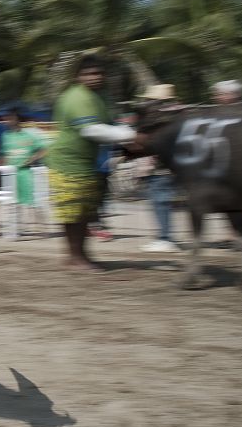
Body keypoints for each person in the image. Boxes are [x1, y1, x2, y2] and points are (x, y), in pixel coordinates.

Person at [45, 54, 136, 272]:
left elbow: (108, 125)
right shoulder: (77, 97)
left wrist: (126, 136)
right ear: (78, 76)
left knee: (85, 214)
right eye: (89, 73)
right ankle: (75, 257)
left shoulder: (100, 96)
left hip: (87, 164)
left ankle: (80, 255)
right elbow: (92, 130)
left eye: (99, 73)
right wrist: (132, 136)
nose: (95, 77)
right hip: (67, 164)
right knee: (73, 213)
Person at [137, 83, 181, 253]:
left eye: (150, 100)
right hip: (174, 165)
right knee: (163, 201)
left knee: (160, 202)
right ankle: (165, 236)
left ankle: (165, 238)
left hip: (160, 166)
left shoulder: (158, 119)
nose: (147, 103)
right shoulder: (179, 115)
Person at [0, 106, 47, 231]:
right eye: (6, 119)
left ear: (17, 120)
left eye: (10, 118)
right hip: (10, 173)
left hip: (26, 172)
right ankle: (15, 228)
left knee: (33, 200)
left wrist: (32, 159)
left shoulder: (29, 134)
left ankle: (41, 227)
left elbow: (44, 149)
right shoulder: (6, 136)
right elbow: (4, 154)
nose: (7, 121)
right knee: (13, 202)